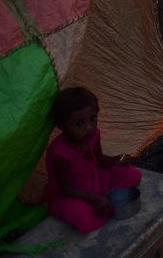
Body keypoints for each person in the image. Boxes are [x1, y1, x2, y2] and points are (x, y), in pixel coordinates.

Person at [45, 87, 142, 233]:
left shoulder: (94, 135)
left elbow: (100, 160)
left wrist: (117, 160)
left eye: (93, 119)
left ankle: (103, 198)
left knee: (132, 175)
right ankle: (100, 201)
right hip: (72, 193)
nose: (89, 127)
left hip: (93, 178)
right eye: (79, 123)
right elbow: (66, 188)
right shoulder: (60, 153)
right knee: (87, 218)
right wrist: (93, 198)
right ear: (62, 126)